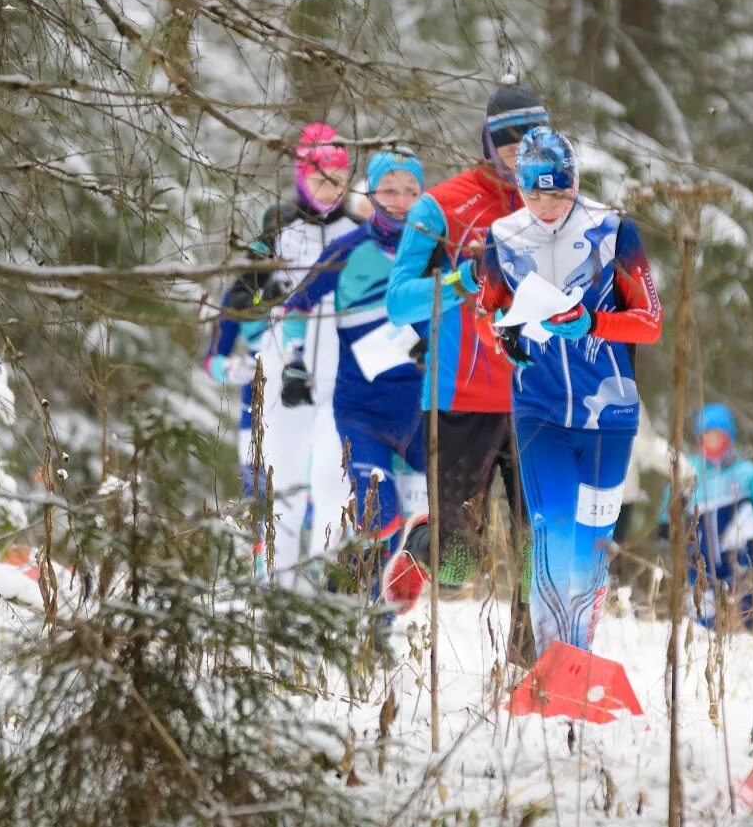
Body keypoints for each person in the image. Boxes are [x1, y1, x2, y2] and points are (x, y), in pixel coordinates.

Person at [471, 125, 663, 656]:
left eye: (557, 190)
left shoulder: (614, 230)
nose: (546, 203)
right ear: (519, 186)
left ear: (574, 182)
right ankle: (556, 663)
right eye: (534, 190)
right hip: (540, 411)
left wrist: (593, 324)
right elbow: (488, 316)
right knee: (552, 534)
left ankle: (579, 656)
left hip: (610, 417)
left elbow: (650, 322)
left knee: (589, 546)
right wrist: (504, 339)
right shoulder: (503, 237)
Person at [382, 78, 550, 656]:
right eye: (507, 142)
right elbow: (398, 300)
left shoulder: (557, 207)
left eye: (532, 141)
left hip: (539, 398)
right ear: (487, 141)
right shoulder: (442, 206)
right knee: (458, 564)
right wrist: (459, 280)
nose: (519, 154)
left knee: (541, 539)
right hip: (461, 397)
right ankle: (426, 544)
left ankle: (528, 654)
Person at [204, 122, 358, 586]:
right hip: (282, 369)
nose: (328, 187)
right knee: (277, 484)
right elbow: (238, 295)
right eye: (318, 178)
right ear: (300, 176)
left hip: (341, 371)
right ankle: (269, 584)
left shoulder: (358, 227)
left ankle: (326, 582)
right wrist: (221, 356)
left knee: (333, 483)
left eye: (336, 178)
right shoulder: (279, 225)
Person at [280, 151, 427, 594]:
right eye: (389, 190)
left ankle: (370, 622)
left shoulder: (434, 251)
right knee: (382, 510)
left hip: (420, 411)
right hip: (360, 410)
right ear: (371, 192)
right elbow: (296, 305)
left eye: (411, 192)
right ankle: (342, 589)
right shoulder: (347, 250)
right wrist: (294, 361)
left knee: (425, 529)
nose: (400, 201)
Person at [658, 403, 753, 629]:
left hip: (736, 555)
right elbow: (671, 500)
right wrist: (666, 525)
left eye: (718, 437)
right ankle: (705, 636)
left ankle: (752, 635)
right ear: (699, 438)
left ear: (729, 438)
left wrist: (743, 530)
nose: (712, 443)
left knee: (741, 596)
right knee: (700, 598)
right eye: (707, 436)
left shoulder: (746, 473)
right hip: (698, 554)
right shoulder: (689, 470)